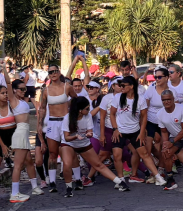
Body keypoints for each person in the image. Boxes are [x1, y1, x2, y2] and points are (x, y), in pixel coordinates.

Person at [62, 96, 130, 196]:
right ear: (80, 110)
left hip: (83, 143)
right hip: (69, 143)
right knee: (67, 164)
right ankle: (68, 188)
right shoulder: (67, 118)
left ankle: (121, 183)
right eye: (87, 108)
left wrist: (89, 134)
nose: (89, 110)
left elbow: (89, 131)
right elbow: (67, 137)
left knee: (98, 164)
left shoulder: (87, 116)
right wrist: (76, 136)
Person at [109, 76, 167, 186]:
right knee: (117, 155)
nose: (121, 88)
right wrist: (115, 129)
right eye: (120, 85)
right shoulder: (118, 97)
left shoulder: (140, 99)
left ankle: (157, 176)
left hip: (134, 130)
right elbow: (112, 114)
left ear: (131, 86)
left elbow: (144, 117)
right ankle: (120, 180)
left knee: (144, 153)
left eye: (123, 85)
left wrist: (141, 132)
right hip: (120, 130)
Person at [39, 58, 81, 192]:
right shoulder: (45, 91)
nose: (53, 74)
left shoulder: (67, 87)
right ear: (49, 75)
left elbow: (76, 100)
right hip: (52, 122)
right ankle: (52, 182)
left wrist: (72, 113)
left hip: (65, 121)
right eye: (51, 72)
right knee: (52, 153)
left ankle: (78, 179)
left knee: (70, 151)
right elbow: (42, 108)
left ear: (59, 72)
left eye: (56, 71)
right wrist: (40, 124)